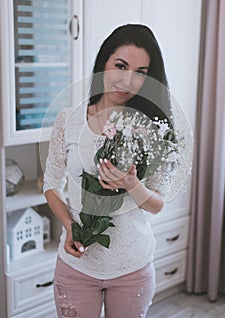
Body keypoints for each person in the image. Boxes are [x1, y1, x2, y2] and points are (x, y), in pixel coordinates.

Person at [43, 24, 172, 318]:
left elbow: (157, 204)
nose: (127, 80)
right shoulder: (68, 120)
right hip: (77, 266)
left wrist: (131, 184)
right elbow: (51, 184)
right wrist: (69, 226)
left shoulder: (151, 130)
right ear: (104, 63)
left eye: (140, 72)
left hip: (132, 268)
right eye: (121, 66)